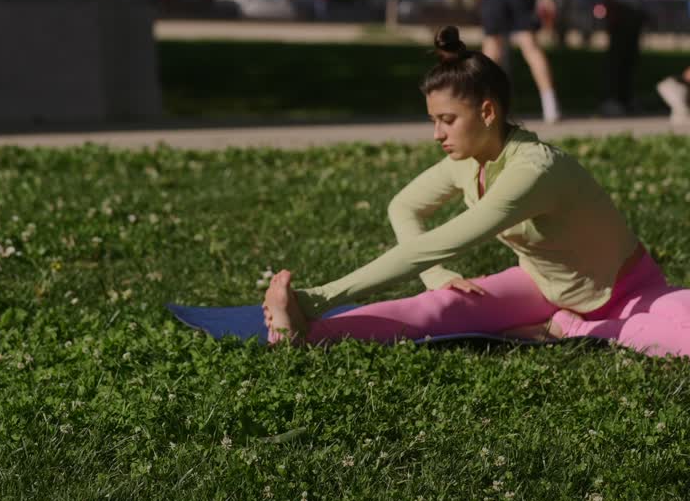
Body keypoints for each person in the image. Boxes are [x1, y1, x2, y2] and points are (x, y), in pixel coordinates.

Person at [263, 26, 690, 358]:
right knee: (441, 309)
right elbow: (404, 207)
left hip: (627, 295)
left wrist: (319, 296)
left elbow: (443, 240)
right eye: (434, 120)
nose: (437, 134)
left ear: (487, 111)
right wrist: (439, 279)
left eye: (447, 119)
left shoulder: (534, 171)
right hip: (542, 285)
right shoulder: (468, 162)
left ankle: (572, 327)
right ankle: (307, 335)